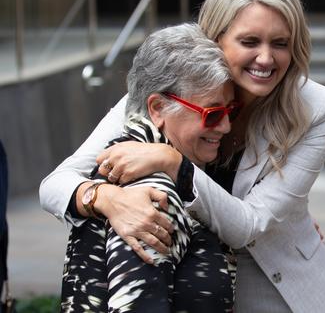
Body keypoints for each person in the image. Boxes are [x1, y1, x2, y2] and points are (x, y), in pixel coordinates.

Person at [40, 0, 325, 312]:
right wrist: (107, 198)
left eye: (280, 44)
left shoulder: (318, 108)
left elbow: (250, 224)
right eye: (249, 42)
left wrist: (174, 164)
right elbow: (55, 184)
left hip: (276, 287)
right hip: (187, 285)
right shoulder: (169, 92)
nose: (266, 58)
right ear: (216, 40)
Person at [59, 23, 237, 312]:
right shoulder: (151, 191)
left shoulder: (142, 164)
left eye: (231, 111)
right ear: (158, 108)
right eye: (213, 113)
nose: (227, 126)